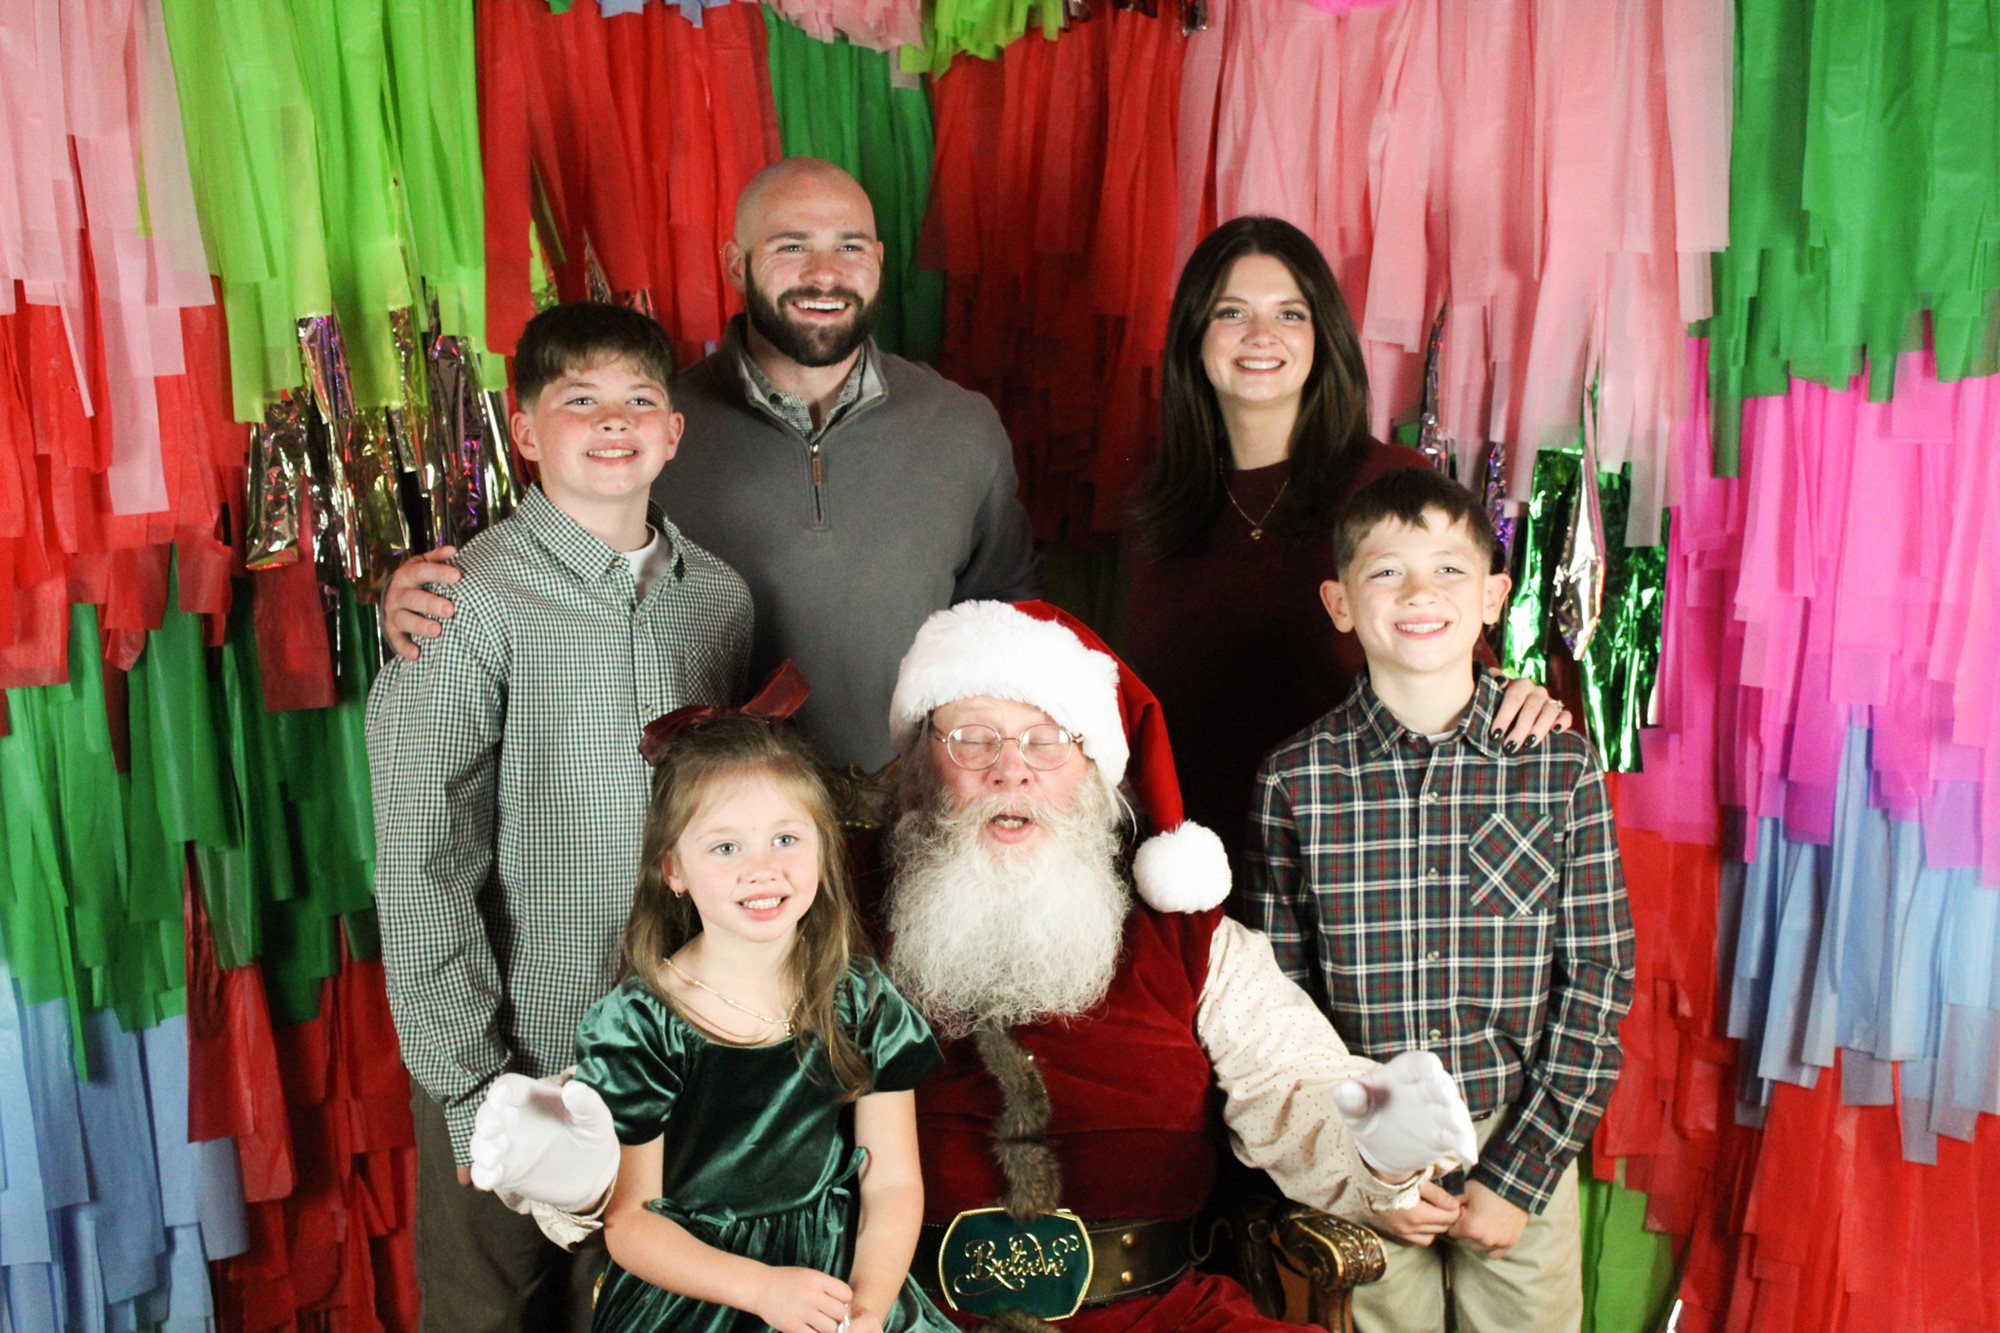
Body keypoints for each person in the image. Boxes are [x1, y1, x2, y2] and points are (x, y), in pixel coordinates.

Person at [471, 599, 1483, 1330]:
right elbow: (690, 1046)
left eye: (1046, 741)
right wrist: (575, 1164)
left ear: (1096, 774)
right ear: (922, 764)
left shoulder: (1187, 937)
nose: (1010, 770)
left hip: (1150, 1312)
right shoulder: (826, 909)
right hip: (898, 1304)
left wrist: (1375, 1137)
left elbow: (1296, 1086)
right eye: (973, 738)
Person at [381, 158, 1040, 771]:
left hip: (912, 812)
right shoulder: (647, 433)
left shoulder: (962, 426)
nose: (825, 274)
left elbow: (1012, 629)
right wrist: (422, 604)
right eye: (790, 246)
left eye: (850, 247)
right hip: (712, 828)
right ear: (734, 264)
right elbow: (542, 574)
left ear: (880, 259)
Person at [366, 301, 753, 1331]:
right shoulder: (466, 604)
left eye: (638, 399)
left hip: (674, 1051)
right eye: (579, 400)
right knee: (490, 1314)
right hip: (515, 1053)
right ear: (526, 429)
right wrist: (471, 1088)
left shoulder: (719, 602)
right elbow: (420, 862)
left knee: (640, 1304)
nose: (613, 420)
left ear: (673, 432)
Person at [1246, 467, 1636, 1333]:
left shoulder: (1557, 765)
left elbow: (1599, 977)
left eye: (1449, 570)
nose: (1420, 592)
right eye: (1387, 571)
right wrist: (1355, 1171)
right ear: (1340, 602)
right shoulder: (1294, 780)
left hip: (1521, 1128)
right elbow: (1278, 1005)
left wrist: (1521, 1174)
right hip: (1365, 1136)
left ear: (1494, 596)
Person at [1124, 215, 1566, 869]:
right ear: (1194, 334)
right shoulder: (1154, 506)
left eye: (1290, 314)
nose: (1261, 334)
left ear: (1323, 336)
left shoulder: (1388, 483)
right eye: (1231, 312)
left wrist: (1513, 695)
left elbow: (1457, 660)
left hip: (1353, 871)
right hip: (1184, 875)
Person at [549, 703, 954, 1333]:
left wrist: (868, 1309)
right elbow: (630, 1223)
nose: (761, 869)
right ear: (673, 869)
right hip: (698, 1293)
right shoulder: (640, 1024)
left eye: (785, 839)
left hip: (842, 1283)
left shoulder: (860, 999)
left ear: (823, 848)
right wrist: (761, 1289)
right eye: (726, 846)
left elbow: (893, 1184)